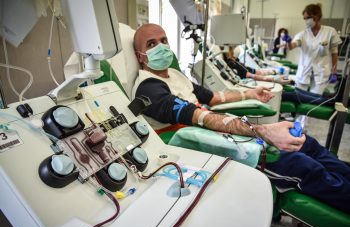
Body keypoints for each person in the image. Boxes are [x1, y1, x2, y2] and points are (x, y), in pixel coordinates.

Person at [132, 23, 350, 214]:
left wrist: (249, 93)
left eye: (164, 41)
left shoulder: (176, 75)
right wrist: (263, 131)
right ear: (139, 55)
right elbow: (199, 116)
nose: (161, 47)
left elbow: (215, 97)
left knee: (306, 142)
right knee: (303, 165)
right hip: (202, 145)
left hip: (222, 133)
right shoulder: (149, 89)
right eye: (151, 44)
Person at [284, 3, 342, 95]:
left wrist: (334, 72)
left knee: (314, 100)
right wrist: (288, 42)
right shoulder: (303, 34)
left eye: (308, 18)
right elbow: (292, 46)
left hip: (321, 73)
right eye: (305, 18)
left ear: (317, 16)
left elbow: (334, 53)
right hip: (304, 72)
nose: (306, 21)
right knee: (299, 97)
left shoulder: (330, 32)